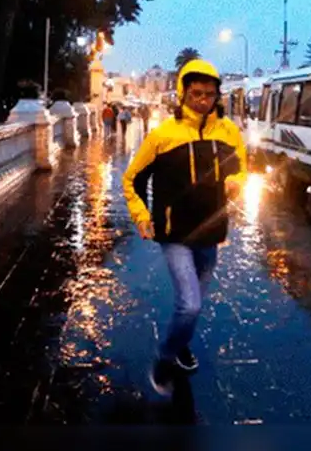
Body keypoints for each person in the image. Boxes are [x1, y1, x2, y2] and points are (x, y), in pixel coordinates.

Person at [122, 58, 247, 396]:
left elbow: (241, 168)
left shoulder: (228, 132)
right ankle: (165, 358)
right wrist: (142, 217)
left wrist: (236, 181)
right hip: (174, 233)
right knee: (190, 305)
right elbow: (132, 179)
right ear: (182, 93)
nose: (203, 101)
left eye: (209, 94)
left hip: (212, 232)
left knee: (193, 308)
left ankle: (181, 343)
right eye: (196, 94)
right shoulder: (163, 135)